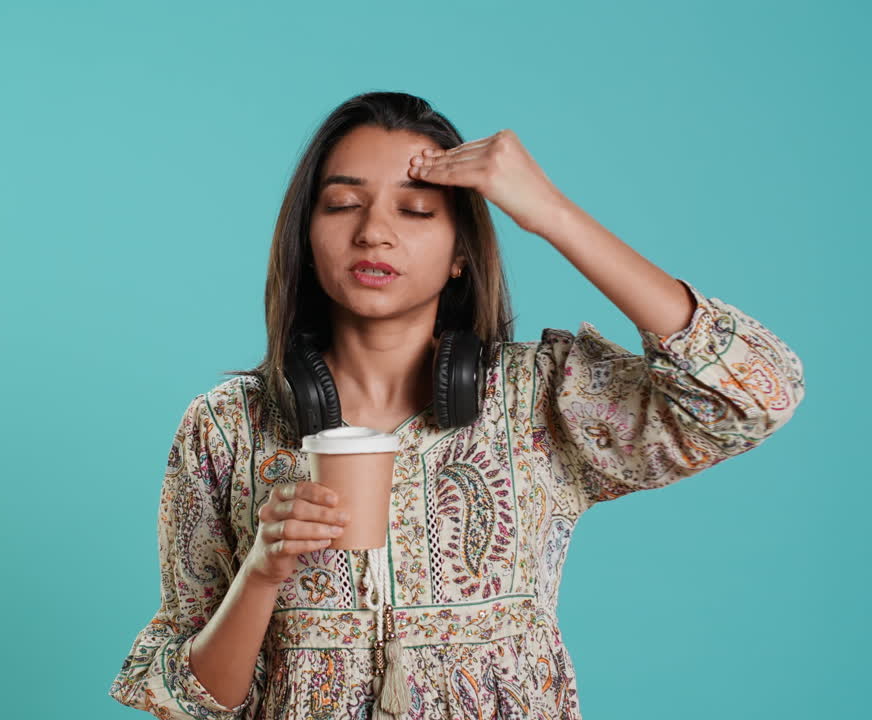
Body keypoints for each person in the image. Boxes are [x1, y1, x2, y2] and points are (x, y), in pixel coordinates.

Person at [107, 91, 805, 719]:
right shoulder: (226, 427)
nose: (374, 233)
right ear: (306, 238)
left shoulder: (541, 401)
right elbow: (188, 701)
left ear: (460, 256)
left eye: (413, 210)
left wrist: (553, 216)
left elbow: (755, 391)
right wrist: (260, 574)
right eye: (344, 204)